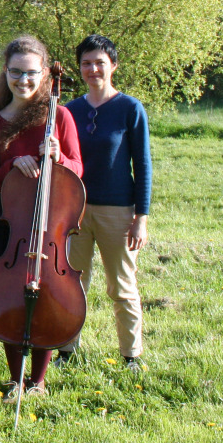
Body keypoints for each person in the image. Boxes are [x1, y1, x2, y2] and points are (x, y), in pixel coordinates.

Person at [0, 35, 83, 401]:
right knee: (7, 292)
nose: (23, 80)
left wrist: (59, 157)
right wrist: (11, 165)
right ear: (5, 72)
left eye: (31, 73)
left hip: (50, 221)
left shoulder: (60, 116)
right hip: (8, 221)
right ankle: (15, 378)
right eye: (16, 72)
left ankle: (37, 381)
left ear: (45, 75)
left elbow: (78, 169)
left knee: (47, 293)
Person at [57, 34, 152, 372]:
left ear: (113, 66)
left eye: (99, 62)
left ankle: (131, 356)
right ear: (79, 68)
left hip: (118, 211)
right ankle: (67, 350)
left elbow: (142, 165)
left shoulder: (130, 108)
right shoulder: (70, 110)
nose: (93, 69)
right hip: (76, 210)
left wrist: (141, 216)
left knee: (122, 287)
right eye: (86, 63)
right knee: (71, 284)